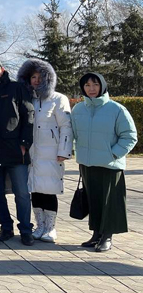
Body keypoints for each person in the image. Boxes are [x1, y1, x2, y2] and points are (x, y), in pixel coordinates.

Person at [71, 72, 137, 252]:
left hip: (109, 165)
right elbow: (73, 134)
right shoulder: (78, 109)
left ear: (102, 86)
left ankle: (107, 235)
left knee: (110, 201)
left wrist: (113, 154)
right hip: (87, 164)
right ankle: (96, 234)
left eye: (95, 84)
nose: (91, 89)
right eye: (87, 85)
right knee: (93, 200)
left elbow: (129, 137)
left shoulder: (116, 109)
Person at [0, 57, 35, 245]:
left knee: (22, 193)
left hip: (15, 150)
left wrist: (25, 143)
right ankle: (6, 226)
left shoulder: (16, 88)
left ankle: (26, 229)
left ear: (2, 69)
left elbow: (29, 115)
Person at [16, 59, 72, 243]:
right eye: (33, 76)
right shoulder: (26, 99)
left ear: (48, 78)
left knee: (49, 190)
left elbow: (66, 126)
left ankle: (51, 228)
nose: (37, 80)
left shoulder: (58, 99)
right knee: (35, 190)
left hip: (52, 153)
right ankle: (39, 226)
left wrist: (64, 150)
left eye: (41, 77)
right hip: (32, 154)